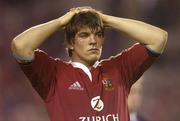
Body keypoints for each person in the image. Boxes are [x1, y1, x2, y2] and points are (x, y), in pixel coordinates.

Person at [11, 7, 167, 121]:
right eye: (84, 35)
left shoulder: (119, 68)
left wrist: (106, 19)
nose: (93, 41)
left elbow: (159, 38)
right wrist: (60, 22)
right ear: (71, 42)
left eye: (98, 34)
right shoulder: (53, 73)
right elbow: (20, 46)